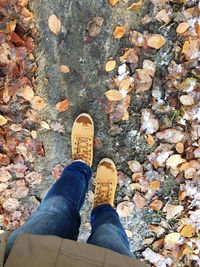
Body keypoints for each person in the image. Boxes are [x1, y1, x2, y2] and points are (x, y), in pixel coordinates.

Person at [0, 113, 146, 267]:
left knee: (56, 208)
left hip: (27, 257)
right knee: (109, 232)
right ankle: (102, 205)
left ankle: (80, 166)